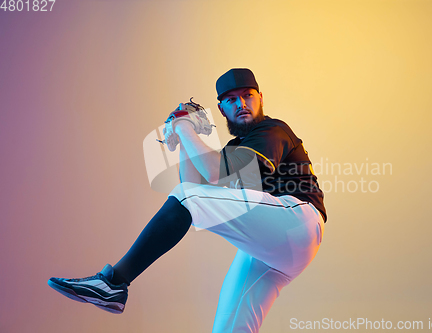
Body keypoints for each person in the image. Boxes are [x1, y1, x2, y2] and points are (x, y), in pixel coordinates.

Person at [48, 68, 327, 333]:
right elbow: (192, 188)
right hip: (274, 253)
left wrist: (183, 127)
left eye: (248, 95)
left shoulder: (272, 130)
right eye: (231, 99)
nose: (241, 103)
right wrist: (185, 136)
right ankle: (113, 287)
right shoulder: (236, 149)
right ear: (221, 109)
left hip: (298, 221)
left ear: (260, 98)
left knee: (188, 197)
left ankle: (114, 283)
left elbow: (211, 179)